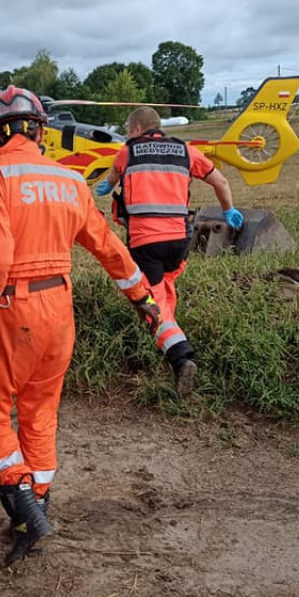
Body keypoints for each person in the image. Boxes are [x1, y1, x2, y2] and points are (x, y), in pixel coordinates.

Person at [0, 86, 170, 565]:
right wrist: (142, 297)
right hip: (60, 309)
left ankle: (24, 510)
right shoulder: (69, 180)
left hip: (13, 309)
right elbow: (109, 248)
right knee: (40, 414)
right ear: (40, 129)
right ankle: (35, 509)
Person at [96, 106, 244, 395]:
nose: (127, 134)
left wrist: (105, 186)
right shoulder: (186, 150)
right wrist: (229, 210)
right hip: (179, 241)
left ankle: (179, 355)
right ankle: (167, 337)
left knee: (151, 302)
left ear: (137, 129)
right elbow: (220, 181)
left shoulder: (128, 152)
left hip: (145, 243)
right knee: (165, 287)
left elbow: (111, 180)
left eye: (128, 129)